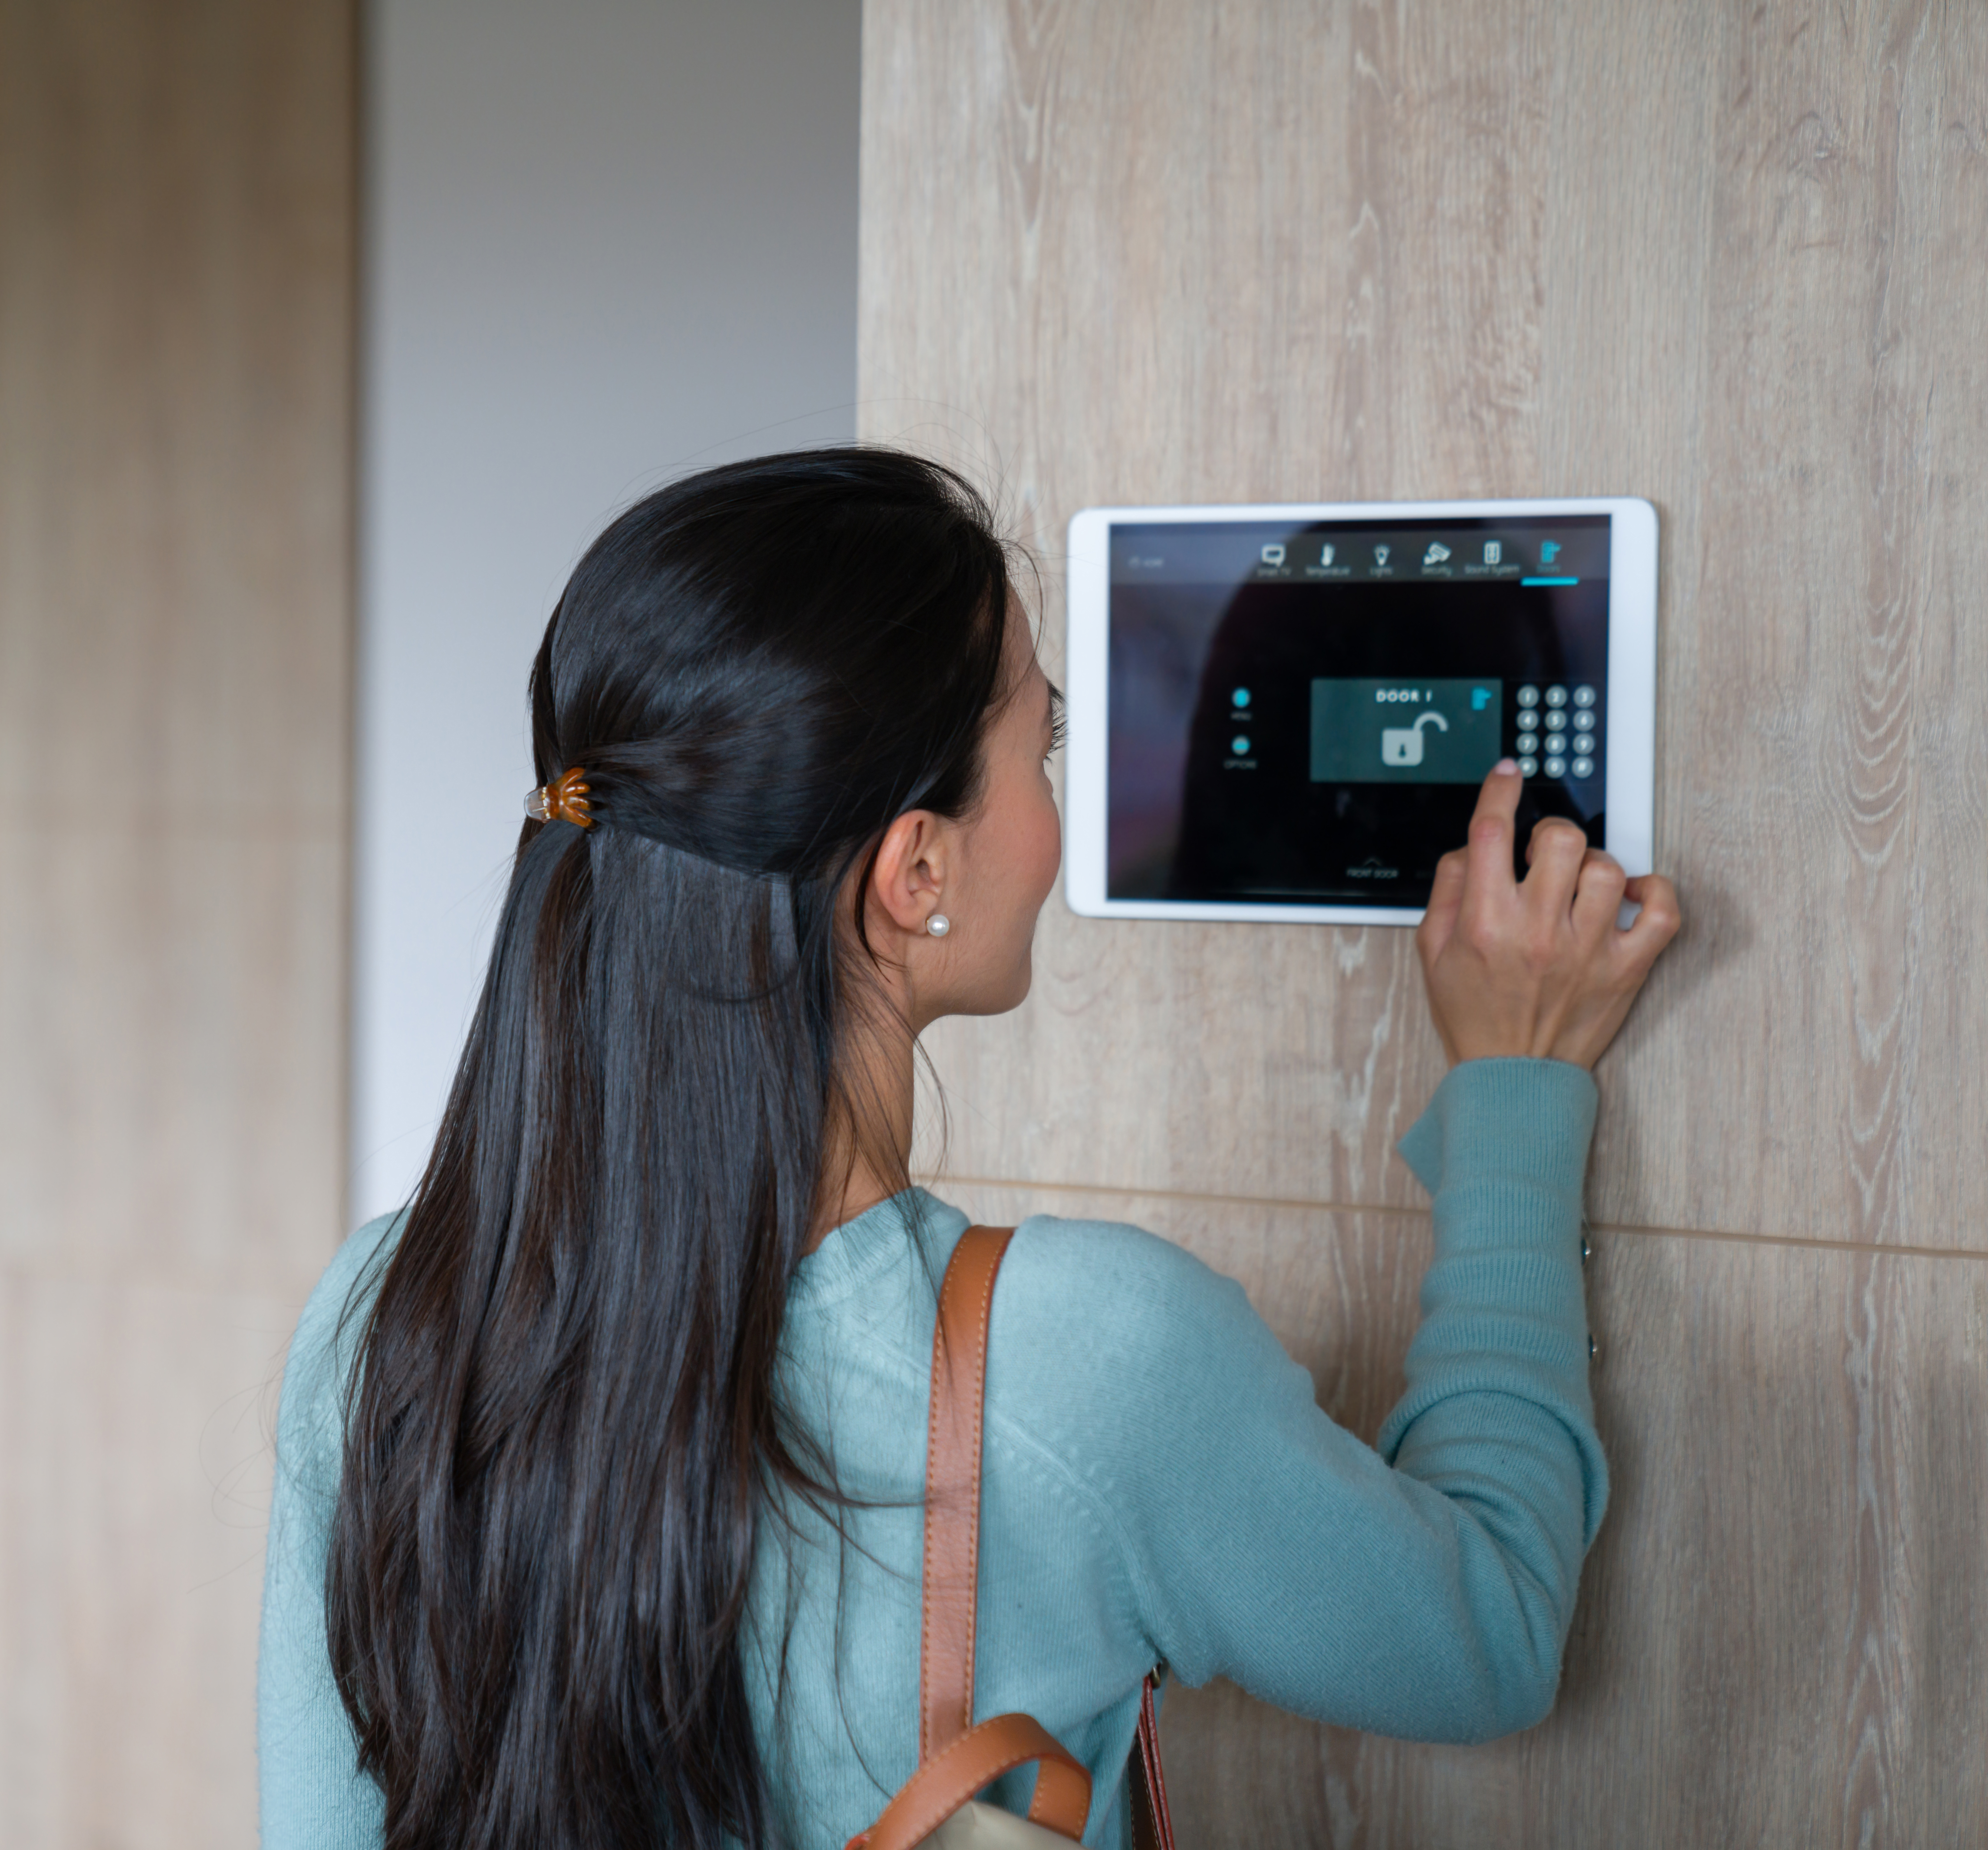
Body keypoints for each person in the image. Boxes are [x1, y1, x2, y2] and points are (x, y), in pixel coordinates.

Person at [257, 449, 1682, 1850]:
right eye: (1040, 749)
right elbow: (1485, 1634)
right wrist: (1513, 1091)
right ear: (916, 870)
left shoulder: (385, 1315)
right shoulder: (1083, 1354)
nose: (1058, 817)